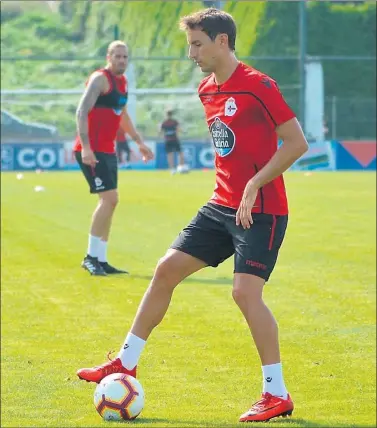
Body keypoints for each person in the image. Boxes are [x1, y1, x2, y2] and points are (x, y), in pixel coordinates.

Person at [77, 9, 308, 423]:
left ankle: (277, 393)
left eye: (197, 44)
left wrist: (254, 185)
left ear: (222, 41)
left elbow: (295, 143)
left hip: (263, 210)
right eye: (190, 45)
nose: (191, 53)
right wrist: (235, 187)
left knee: (244, 293)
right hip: (221, 205)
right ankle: (124, 364)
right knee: (165, 270)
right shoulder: (206, 90)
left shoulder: (259, 86)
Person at [73, 40, 154, 276]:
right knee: (108, 199)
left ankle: (101, 258)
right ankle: (90, 257)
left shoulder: (123, 82)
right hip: (92, 150)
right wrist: (86, 148)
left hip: (107, 150)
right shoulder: (100, 79)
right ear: (109, 57)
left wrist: (138, 141)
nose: (122, 60)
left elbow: (123, 114)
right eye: (117, 56)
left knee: (112, 200)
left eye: (125, 57)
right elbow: (81, 111)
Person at [159, 109, 185, 173]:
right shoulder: (174, 122)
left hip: (167, 140)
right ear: (172, 114)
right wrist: (184, 132)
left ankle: (172, 169)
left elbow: (160, 132)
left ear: (166, 114)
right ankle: (180, 167)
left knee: (170, 154)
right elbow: (178, 129)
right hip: (175, 139)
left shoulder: (164, 122)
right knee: (180, 153)